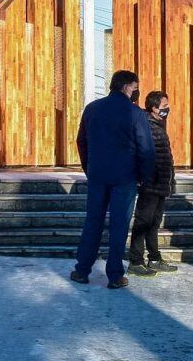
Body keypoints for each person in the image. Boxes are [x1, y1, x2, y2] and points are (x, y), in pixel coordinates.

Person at [71, 70, 155, 289]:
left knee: (93, 222)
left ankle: (82, 270)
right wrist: (145, 176)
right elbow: (146, 148)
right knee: (119, 225)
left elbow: (81, 141)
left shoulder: (92, 109)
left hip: (98, 175)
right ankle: (115, 275)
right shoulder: (135, 113)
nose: (137, 92)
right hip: (125, 177)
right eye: (135, 87)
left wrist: (90, 168)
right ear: (127, 87)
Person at [128, 91, 178, 277]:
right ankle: (136, 261)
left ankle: (154, 258)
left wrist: (171, 181)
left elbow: (167, 157)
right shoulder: (146, 126)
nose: (167, 109)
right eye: (164, 106)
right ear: (154, 108)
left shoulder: (159, 124)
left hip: (161, 183)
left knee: (154, 223)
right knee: (143, 222)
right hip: (150, 183)